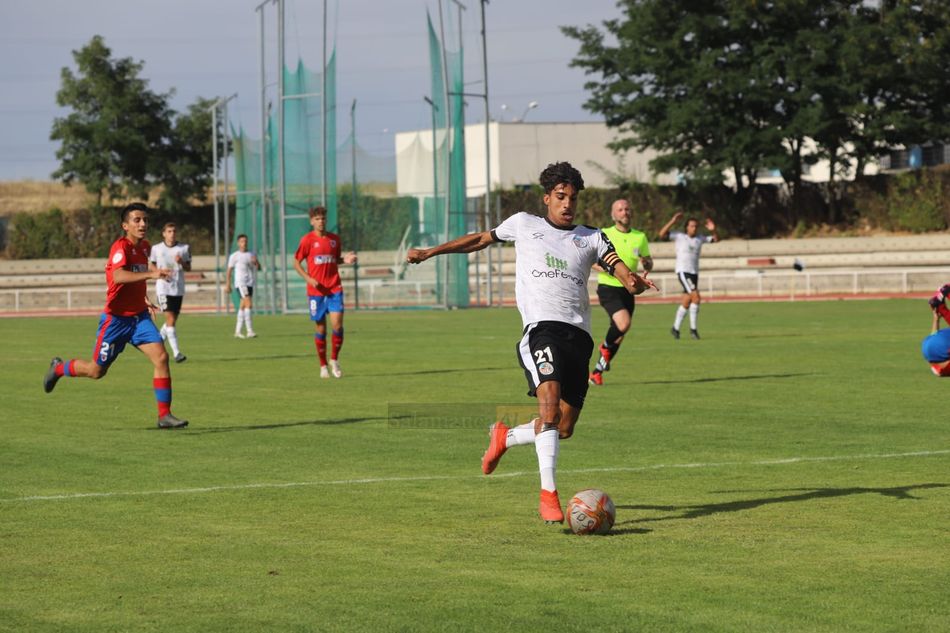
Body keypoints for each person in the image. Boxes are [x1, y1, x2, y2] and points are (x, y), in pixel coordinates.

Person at [407, 162, 655, 523]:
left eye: (573, 198)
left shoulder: (591, 237)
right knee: (549, 410)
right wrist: (430, 252)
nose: (567, 204)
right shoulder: (524, 224)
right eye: (561, 196)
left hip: (579, 338)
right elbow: (479, 240)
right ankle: (548, 494)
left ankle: (505, 437)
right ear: (547, 198)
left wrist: (634, 282)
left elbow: (620, 270)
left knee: (562, 427)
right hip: (542, 329)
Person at [43, 202, 188, 429]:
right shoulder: (120, 248)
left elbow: (136, 276)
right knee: (96, 371)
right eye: (137, 220)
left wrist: (143, 297)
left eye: (145, 220)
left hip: (139, 318)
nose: (143, 224)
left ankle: (164, 415)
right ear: (125, 226)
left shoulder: (144, 247)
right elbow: (119, 276)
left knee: (161, 358)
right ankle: (59, 368)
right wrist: (152, 274)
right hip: (116, 320)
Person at [589, 199, 654, 386]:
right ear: (613, 214)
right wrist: (610, 270)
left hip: (629, 289)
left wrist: (646, 263)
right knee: (623, 323)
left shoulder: (640, 237)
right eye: (620, 209)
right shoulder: (604, 234)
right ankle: (604, 347)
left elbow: (649, 263)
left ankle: (597, 372)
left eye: (627, 209)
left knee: (619, 333)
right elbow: (592, 261)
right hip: (608, 287)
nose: (624, 212)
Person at [293, 206, 358, 378]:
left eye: (323, 218)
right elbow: (296, 263)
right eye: (317, 219)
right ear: (311, 221)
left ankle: (334, 359)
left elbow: (335, 260)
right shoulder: (307, 240)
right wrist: (308, 278)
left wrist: (345, 259)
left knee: (337, 325)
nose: (320, 221)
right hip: (316, 292)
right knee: (321, 329)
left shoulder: (334, 239)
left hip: (334, 288)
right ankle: (322, 365)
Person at [658, 211, 719, 339]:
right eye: (691, 226)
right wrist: (673, 221)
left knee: (686, 301)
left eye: (696, 226)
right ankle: (693, 330)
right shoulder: (679, 236)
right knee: (696, 297)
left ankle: (675, 328)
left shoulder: (700, 238)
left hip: (694, 273)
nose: (694, 228)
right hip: (683, 271)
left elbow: (716, 239)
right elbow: (661, 234)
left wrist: (713, 230)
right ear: (686, 227)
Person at [149, 222, 191, 363]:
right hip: (163, 288)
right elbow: (151, 265)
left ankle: (158, 341)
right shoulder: (156, 248)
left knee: (170, 321)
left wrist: (181, 262)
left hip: (178, 288)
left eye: (174, 231)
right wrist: (159, 272)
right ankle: (177, 353)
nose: (172, 234)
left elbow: (189, 268)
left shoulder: (184, 248)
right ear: (164, 233)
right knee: (170, 320)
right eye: (169, 231)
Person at [226, 234, 261, 339]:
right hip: (241, 283)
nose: (244, 243)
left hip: (250, 282)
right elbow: (229, 271)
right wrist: (228, 284)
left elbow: (258, 268)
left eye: (245, 241)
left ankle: (237, 331)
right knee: (248, 304)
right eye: (242, 241)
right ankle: (250, 331)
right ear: (238, 243)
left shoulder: (251, 254)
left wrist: (256, 262)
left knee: (242, 306)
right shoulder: (234, 256)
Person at [923, 285, 950, 376]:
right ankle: (940, 306)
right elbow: (934, 336)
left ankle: (943, 299)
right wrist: (936, 319)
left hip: (937, 346)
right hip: (928, 349)